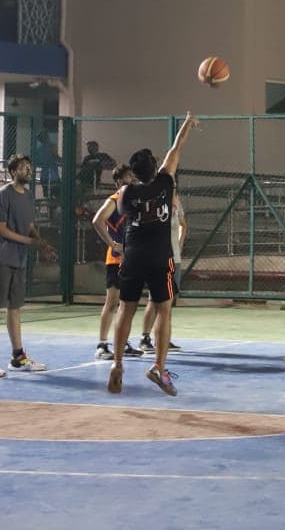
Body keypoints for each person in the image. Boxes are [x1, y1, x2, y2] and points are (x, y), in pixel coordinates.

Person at [107, 112, 199, 397]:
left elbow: (124, 214)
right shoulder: (165, 183)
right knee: (164, 310)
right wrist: (187, 123)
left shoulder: (126, 193)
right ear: (155, 166)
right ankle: (159, 367)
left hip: (133, 256)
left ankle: (118, 363)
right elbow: (176, 148)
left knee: (126, 309)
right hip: (161, 257)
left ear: (134, 173)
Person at [0, 154, 57, 377]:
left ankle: (18, 357)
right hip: (0, 259)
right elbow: (0, 229)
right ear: (13, 172)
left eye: (29, 166)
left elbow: (29, 226)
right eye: (23, 167)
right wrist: (29, 241)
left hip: (18, 260)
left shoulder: (29, 196)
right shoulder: (4, 194)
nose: (28, 170)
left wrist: (41, 244)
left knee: (14, 308)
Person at [91, 164, 144, 360]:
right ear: (119, 181)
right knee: (112, 302)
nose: (131, 179)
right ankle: (102, 345)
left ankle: (122, 341)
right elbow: (97, 220)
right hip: (116, 259)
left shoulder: (133, 204)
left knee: (127, 304)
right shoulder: (113, 201)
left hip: (132, 259)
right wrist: (112, 243)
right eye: (128, 176)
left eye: (132, 175)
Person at [139, 191, 186, 352]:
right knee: (154, 300)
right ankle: (145, 338)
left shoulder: (176, 204)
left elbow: (183, 225)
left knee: (169, 301)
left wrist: (179, 244)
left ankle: (164, 338)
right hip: (158, 259)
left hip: (175, 259)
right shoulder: (154, 204)